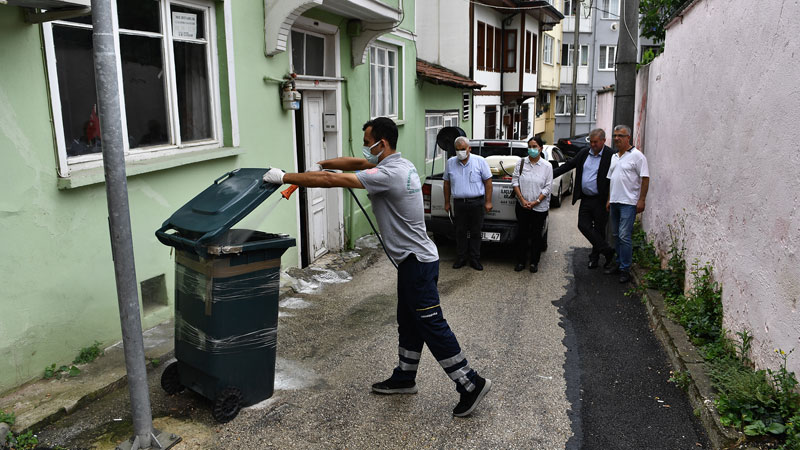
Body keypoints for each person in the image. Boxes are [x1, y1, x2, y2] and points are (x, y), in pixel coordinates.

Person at [261, 117, 491, 417]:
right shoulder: (400, 164)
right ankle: (405, 377)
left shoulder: (386, 175)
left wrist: (285, 177)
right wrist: (320, 164)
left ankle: (470, 383)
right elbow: (354, 162)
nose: (365, 149)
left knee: (431, 324)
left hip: (417, 263)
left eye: (368, 141)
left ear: (381, 144)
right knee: (408, 321)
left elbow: (334, 181)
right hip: (413, 261)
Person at [553, 128, 615, 269]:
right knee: (583, 225)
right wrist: (549, 174)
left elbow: (615, 179)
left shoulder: (611, 156)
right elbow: (568, 165)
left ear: (603, 141)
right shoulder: (584, 153)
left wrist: (610, 198)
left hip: (601, 199)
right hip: (586, 198)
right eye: (591, 142)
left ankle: (594, 258)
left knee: (599, 230)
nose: (592, 145)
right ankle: (608, 251)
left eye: (595, 142)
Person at [605, 125, 650, 283]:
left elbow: (645, 178)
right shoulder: (614, 156)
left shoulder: (638, 156)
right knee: (616, 235)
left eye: (621, 136)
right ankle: (618, 264)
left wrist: (642, 199)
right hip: (615, 202)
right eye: (615, 135)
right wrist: (609, 198)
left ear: (628, 138)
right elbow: (612, 179)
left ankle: (625, 268)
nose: (617, 138)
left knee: (624, 236)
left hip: (629, 203)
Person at [443, 136, 493, 271]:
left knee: (476, 232)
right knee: (460, 232)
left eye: (463, 149)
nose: (460, 152)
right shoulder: (450, 163)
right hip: (459, 203)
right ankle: (461, 258)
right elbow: (446, 184)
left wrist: (488, 201)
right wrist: (447, 202)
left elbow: (488, 182)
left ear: (469, 149)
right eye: (457, 150)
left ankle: (475, 259)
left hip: (477, 203)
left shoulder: (480, 161)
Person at [511, 136, 552, 273]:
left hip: (539, 207)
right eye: (530, 147)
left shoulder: (547, 166)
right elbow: (515, 182)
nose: (532, 149)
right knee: (522, 234)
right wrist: (522, 200)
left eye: (535, 146)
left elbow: (547, 187)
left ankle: (534, 262)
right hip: (522, 205)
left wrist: (536, 202)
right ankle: (521, 261)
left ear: (540, 148)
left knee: (536, 235)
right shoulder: (521, 163)